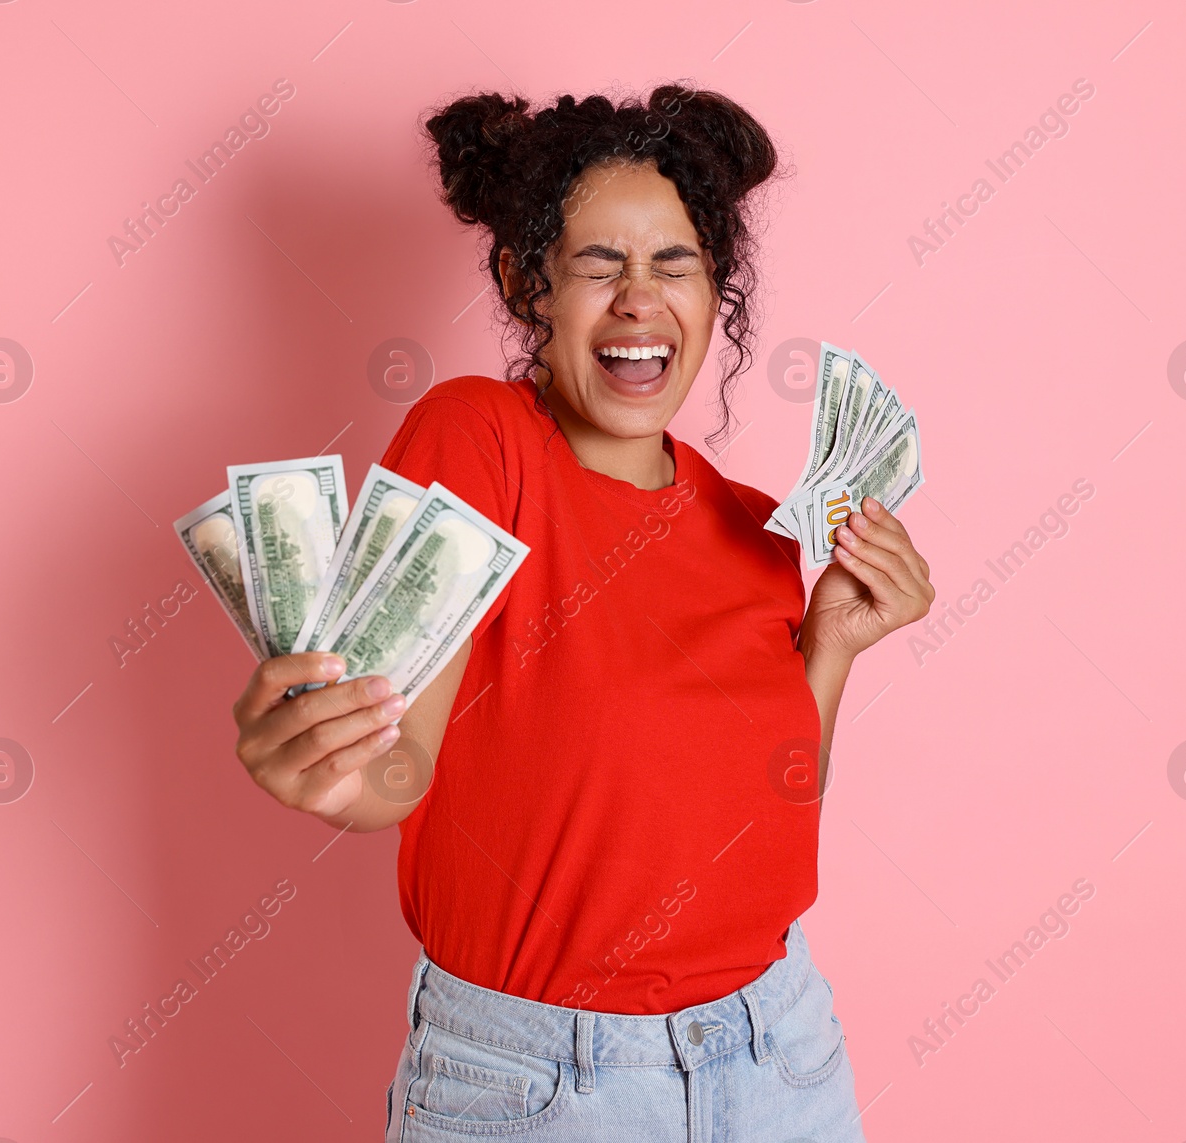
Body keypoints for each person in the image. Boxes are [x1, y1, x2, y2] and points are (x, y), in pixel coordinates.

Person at [230, 85, 934, 1142]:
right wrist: (327, 773)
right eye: (599, 265)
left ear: (714, 294)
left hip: (780, 1054)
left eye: (675, 265)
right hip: (543, 1085)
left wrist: (830, 642)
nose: (638, 301)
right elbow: (394, 772)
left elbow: (768, 807)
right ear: (529, 284)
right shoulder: (481, 440)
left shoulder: (754, 530)